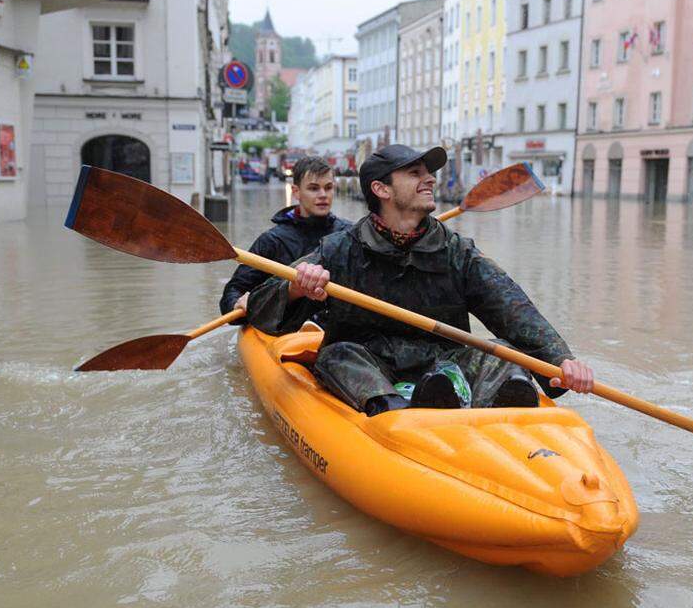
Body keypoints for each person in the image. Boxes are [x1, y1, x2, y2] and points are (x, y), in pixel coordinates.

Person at [246, 143, 594, 416]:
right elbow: (262, 306)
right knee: (338, 354)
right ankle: (395, 412)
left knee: (505, 354)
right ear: (381, 189)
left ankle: (491, 404)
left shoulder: (456, 250)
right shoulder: (339, 249)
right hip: (370, 361)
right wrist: (296, 285)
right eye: (415, 173)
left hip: (443, 360)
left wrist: (560, 359)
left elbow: (511, 305)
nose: (430, 180)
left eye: (429, 173)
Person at [219, 156, 352, 317]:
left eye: (328, 187)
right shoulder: (272, 241)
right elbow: (233, 291)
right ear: (296, 192)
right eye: (313, 188)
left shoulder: (350, 234)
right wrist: (238, 303)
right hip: (287, 330)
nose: (323, 194)